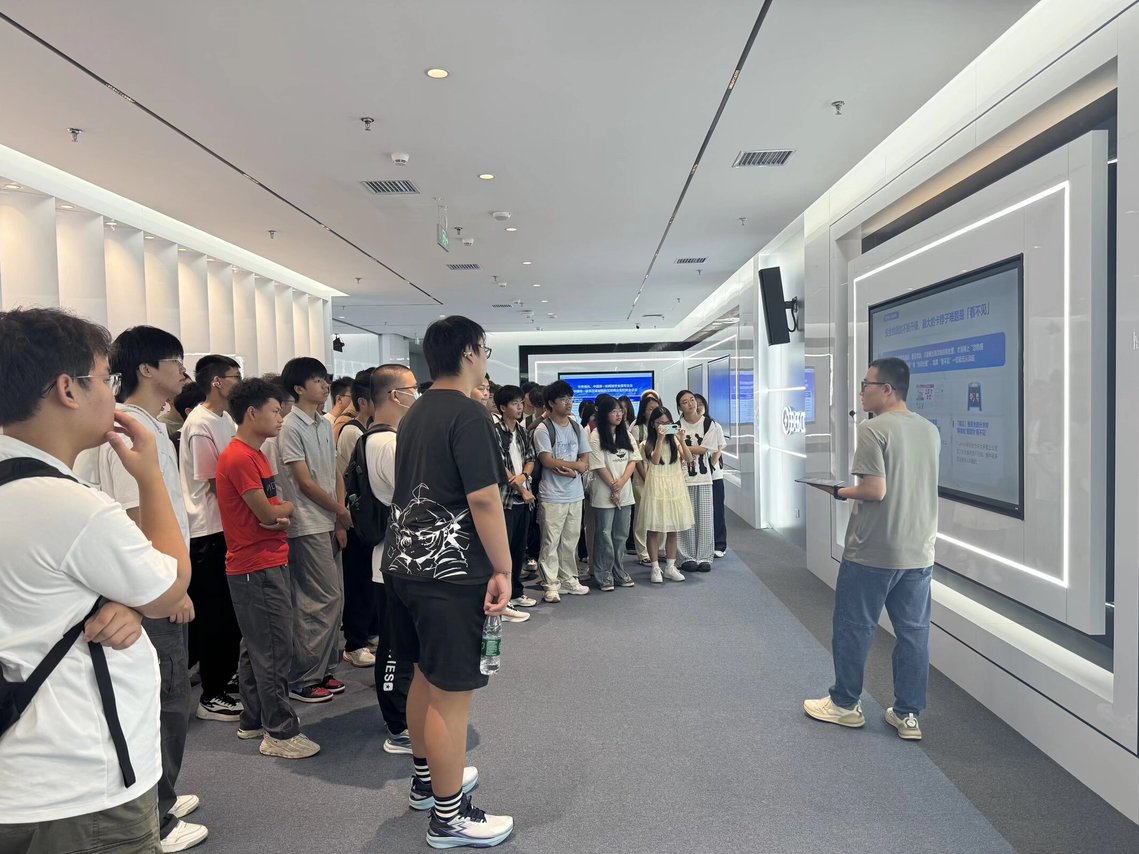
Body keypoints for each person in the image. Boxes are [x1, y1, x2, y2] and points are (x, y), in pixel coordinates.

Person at [0, 307, 191, 854]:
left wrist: (121, 600)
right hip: (75, 778)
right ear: (68, 389)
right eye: (106, 379)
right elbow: (170, 588)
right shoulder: (68, 506)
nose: (113, 393)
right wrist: (150, 477)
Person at [380, 316, 513, 848]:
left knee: (423, 679)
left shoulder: (414, 411)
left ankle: (426, 783)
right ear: (471, 352)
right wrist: (503, 567)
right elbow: (484, 499)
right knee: (452, 695)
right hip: (451, 575)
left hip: (403, 567)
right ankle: (449, 816)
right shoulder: (468, 414)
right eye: (485, 350)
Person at [72, 326, 207, 853]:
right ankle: (157, 816)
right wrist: (166, 587)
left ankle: (162, 796)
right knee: (165, 698)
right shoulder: (129, 428)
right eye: (175, 362)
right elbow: (135, 516)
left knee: (166, 695)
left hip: (156, 579)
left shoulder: (144, 424)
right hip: (150, 586)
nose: (183, 372)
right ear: (147, 369)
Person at [803, 357, 940, 741]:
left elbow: (874, 490)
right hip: (919, 549)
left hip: (873, 550)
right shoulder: (929, 430)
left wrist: (837, 491)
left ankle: (845, 704)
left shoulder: (873, 429)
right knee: (913, 634)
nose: (861, 391)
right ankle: (908, 715)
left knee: (854, 628)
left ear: (888, 390)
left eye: (867, 384)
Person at [216, 378, 320, 760]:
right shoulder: (240, 457)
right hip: (255, 566)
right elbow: (270, 513)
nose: (280, 418)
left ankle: (253, 719)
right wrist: (283, 512)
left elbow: (275, 511)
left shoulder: (256, 454)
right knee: (273, 649)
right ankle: (279, 731)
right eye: (275, 411)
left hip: (264, 561)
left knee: (258, 646)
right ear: (252, 413)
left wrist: (280, 513)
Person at [277, 357, 352, 704]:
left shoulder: (323, 423)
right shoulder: (290, 426)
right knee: (316, 601)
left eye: (325, 379)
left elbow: (334, 472)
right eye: (317, 380)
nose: (325, 385)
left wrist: (339, 514)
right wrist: (339, 510)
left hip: (327, 519)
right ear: (298, 388)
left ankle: (323, 670)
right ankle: (304, 677)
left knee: (334, 598)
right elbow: (304, 482)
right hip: (306, 523)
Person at [179, 355, 244, 723]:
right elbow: (216, 483)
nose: (240, 381)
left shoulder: (224, 419)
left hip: (224, 527)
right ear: (217, 381)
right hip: (208, 530)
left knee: (228, 614)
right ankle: (211, 694)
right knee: (215, 616)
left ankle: (223, 677)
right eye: (236, 376)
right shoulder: (201, 423)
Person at [361, 364, 420, 754]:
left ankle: (403, 716)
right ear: (396, 395)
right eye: (413, 388)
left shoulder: (385, 438)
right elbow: (416, 495)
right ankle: (398, 725)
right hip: (396, 559)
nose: (418, 395)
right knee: (396, 647)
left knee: (401, 644)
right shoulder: (388, 443)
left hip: (396, 557)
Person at [534, 380, 592, 603]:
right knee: (551, 541)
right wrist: (576, 466)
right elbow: (547, 460)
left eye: (570, 399)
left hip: (575, 493)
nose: (569, 403)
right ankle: (550, 584)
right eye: (563, 399)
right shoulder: (544, 429)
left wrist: (575, 468)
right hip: (552, 494)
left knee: (570, 540)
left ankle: (568, 579)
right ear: (551, 403)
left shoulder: (577, 427)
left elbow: (585, 461)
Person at [339, 367, 380, 668]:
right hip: (355, 517)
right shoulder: (352, 431)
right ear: (364, 401)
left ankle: (368, 633)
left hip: (366, 518)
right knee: (358, 582)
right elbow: (347, 479)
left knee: (369, 580)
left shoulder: (366, 429)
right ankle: (355, 643)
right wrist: (344, 517)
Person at [493, 385, 537, 619]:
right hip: (505, 500)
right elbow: (499, 465)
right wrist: (520, 486)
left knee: (520, 548)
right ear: (502, 407)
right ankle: (503, 598)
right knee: (505, 551)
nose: (520, 407)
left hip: (523, 496)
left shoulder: (522, 431)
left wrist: (524, 476)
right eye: (514, 404)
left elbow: (530, 457)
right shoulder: (495, 432)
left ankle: (517, 591)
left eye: (521, 403)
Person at [588, 394, 639, 590]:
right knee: (604, 534)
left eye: (620, 411)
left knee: (621, 535)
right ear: (604, 414)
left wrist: (621, 483)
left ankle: (619, 570)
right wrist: (613, 486)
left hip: (624, 492)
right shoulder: (596, 435)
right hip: (603, 493)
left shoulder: (626, 434)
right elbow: (598, 465)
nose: (618, 415)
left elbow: (633, 460)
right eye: (613, 411)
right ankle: (603, 573)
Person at [637, 407, 693, 583]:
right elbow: (654, 460)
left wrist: (682, 440)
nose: (664, 426)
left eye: (667, 423)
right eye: (660, 423)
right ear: (653, 424)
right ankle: (655, 568)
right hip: (656, 487)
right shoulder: (646, 444)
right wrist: (660, 438)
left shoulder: (675, 441)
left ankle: (670, 566)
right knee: (653, 529)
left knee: (673, 529)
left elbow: (689, 459)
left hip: (674, 487)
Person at [675, 390, 717, 572]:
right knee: (686, 519)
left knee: (705, 519)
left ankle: (704, 557)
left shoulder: (708, 423)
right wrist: (683, 447)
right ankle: (686, 556)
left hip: (704, 477)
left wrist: (683, 446)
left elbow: (705, 448)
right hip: (683, 478)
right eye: (685, 402)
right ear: (679, 407)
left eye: (692, 400)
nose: (690, 404)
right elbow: (676, 449)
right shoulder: (676, 426)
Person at [630, 391, 662, 565]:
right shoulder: (637, 428)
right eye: (650, 409)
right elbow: (636, 458)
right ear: (643, 410)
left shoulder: (664, 428)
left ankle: (660, 549)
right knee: (642, 516)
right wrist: (646, 477)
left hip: (662, 478)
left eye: (656, 408)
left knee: (661, 513)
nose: (653, 412)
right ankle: (643, 552)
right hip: (643, 477)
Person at [695, 394, 729, 557]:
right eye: (694, 403)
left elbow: (718, 449)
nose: (697, 407)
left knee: (717, 510)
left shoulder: (714, 425)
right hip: (692, 476)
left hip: (713, 475)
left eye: (700, 404)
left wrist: (710, 466)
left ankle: (719, 544)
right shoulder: (682, 426)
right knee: (697, 512)